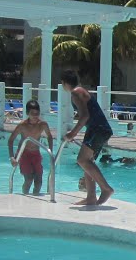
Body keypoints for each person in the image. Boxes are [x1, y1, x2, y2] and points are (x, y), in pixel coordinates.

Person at [61, 70, 115, 206]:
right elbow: (86, 113)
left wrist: (72, 133)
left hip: (98, 129)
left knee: (82, 160)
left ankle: (106, 188)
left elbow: (85, 116)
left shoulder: (75, 93)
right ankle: (91, 197)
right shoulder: (81, 91)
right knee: (88, 162)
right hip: (97, 129)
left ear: (64, 83)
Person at [7, 99, 54, 195]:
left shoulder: (43, 124)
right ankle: (25, 196)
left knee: (39, 182)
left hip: (36, 153)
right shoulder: (22, 125)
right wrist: (12, 157)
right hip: (24, 154)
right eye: (33, 114)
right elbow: (10, 140)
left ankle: (35, 198)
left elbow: (50, 137)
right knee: (28, 179)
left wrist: (51, 152)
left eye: (37, 113)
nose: (35, 116)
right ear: (27, 113)